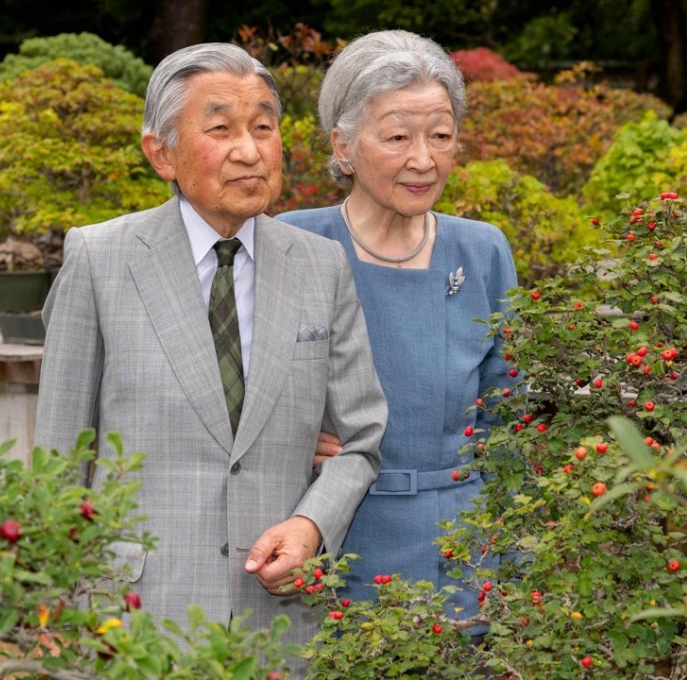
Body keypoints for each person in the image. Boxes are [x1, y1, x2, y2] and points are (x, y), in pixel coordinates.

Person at [33, 42, 387, 666]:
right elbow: (60, 457)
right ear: (161, 153)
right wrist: (47, 608)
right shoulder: (101, 260)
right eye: (220, 129)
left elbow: (360, 441)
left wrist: (309, 527)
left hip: (279, 621)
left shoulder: (318, 265)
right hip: (133, 617)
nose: (249, 151)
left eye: (263, 128)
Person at [276, 30, 519, 620]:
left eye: (440, 136)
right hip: (329, 537)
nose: (423, 159)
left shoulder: (481, 250)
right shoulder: (294, 244)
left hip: (464, 548)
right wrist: (282, 433)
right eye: (397, 137)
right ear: (344, 145)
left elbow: (512, 412)